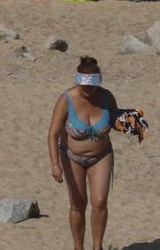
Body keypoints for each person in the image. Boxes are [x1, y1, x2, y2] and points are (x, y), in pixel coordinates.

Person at [47, 57, 119, 250]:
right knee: (78, 204)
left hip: (101, 156)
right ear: (77, 82)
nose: (89, 91)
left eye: (93, 86)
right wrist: (55, 165)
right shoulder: (66, 99)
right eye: (85, 86)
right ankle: (78, 247)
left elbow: (117, 122)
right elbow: (53, 134)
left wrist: (134, 125)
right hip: (71, 157)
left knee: (100, 201)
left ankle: (98, 247)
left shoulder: (107, 98)